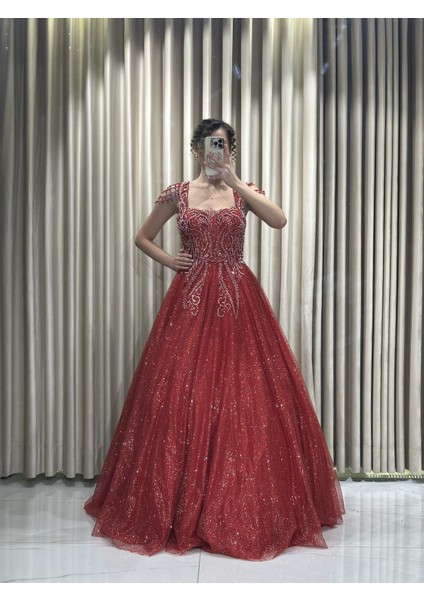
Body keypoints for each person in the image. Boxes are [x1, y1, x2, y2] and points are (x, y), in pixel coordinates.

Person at [84, 118, 344, 561]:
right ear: (195, 149)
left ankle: (239, 500)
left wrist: (236, 181)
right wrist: (170, 260)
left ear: (231, 150)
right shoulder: (178, 193)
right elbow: (142, 237)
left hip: (238, 300)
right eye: (209, 144)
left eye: (222, 144)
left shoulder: (243, 192)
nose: (215, 151)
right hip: (189, 299)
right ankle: (179, 504)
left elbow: (279, 220)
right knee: (183, 391)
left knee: (244, 393)